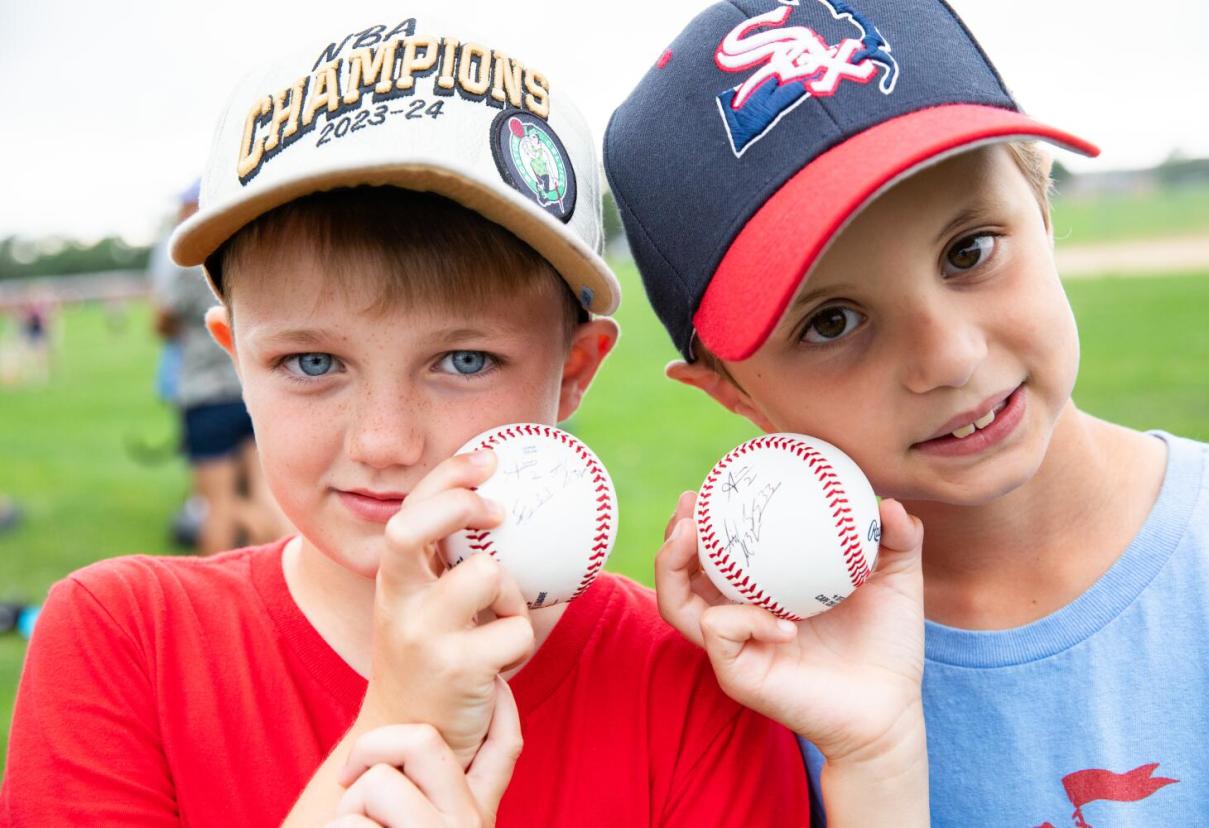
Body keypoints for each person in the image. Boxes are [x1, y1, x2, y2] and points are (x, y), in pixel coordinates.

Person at [0, 9, 810, 826]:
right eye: (311, 363)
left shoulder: (685, 683)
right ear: (236, 359)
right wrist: (396, 725)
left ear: (573, 373)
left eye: (464, 361)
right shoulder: (121, 643)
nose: (384, 443)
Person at [604, 0, 1209, 825]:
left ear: (1040, 202)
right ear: (733, 392)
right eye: (830, 322)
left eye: (969, 249)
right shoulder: (744, 690)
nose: (950, 357)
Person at [150, 181, 291, 554]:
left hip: (204, 396)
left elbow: (163, 324)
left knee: (218, 506)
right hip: (250, 388)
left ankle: (223, 599)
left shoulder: (185, 266)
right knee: (266, 493)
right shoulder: (247, 254)